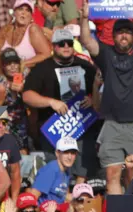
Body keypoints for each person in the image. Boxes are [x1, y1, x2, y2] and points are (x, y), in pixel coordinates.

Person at [80, 0, 133, 195]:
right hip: (113, 124)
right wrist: (84, 18)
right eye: (120, 32)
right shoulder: (105, 54)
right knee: (112, 174)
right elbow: (87, 40)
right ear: (114, 35)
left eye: (127, 31)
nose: (124, 35)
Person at [22, 29, 97, 184]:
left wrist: (92, 100)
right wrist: (50, 102)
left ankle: (79, 194)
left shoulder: (86, 67)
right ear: (53, 46)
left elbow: (101, 89)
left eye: (69, 43)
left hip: (81, 125)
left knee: (82, 169)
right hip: (53, 129)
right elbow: (27, 96)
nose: (66, 46)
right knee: (55, 174)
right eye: (61, 44)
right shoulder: (42, 68)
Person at [0, 0, 52, 67]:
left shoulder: (33, 29)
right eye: (20, 9)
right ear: (14, 12)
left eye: (28, 10)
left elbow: (46, 55)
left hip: (27, 73)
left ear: (31, 16)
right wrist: (4, 61)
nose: (24, 13)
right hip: (6, 73)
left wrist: (23, 64)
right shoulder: (5, 29)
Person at [0, 48, 29, 152]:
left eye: (15, 62)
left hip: (23, 126)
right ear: (3, 66)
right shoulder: (1, 86)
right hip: (7, 128)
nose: (12, 66)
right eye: (8, 63)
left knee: (25, 158)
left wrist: (23, 90)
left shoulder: (26, 78)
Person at [29, 136, 79, 205]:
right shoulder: (50, 170)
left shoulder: (66, 171)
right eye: (66, 152)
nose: (69, 157)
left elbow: (63, 195)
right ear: (57, 153)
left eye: (73, 153)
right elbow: (33, 197)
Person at [0, 111, 21, 202]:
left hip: (2, 192)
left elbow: (15, 173)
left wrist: (14, 200)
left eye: (4, 123)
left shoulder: (10, 141)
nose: (1, 126)